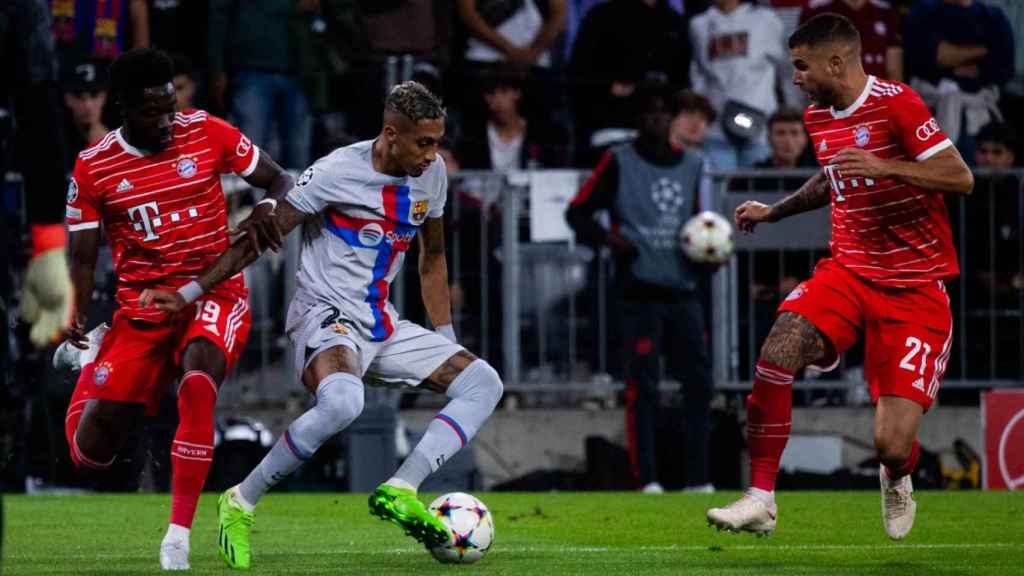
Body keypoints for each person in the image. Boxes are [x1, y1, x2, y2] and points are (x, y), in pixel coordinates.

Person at [140, 81, 504, 569]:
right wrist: (188, 293)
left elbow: (433, 258)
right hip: (324, 317)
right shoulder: (335, 172)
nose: (432, 154)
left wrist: (445, 342)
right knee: (344, 402)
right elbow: (256, 240)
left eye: (436, 142)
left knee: (483, 382)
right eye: (424, 142)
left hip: (381, 324)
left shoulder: (431, 174)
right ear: (391, 134)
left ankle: (400, 488)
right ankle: (241, 500)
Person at [706, 14, 974, 540]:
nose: (796, 77)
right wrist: (774, 211)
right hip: (849, 271)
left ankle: (898, 474)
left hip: (915, 287)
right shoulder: (817, 116)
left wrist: (886, 166)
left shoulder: (898, 103)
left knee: (891, 445)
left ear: (836, 62)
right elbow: (833, 175)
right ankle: (761, 496)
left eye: (802, 66)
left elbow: (958, 176)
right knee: (778, 349)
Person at [57, 48, 293, 570]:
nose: (168, 121)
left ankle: (178, 537)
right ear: (122, 107)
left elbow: (279, 179)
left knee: (199, 373)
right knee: (90, 452)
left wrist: (268, 206)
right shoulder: (94, 168)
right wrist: (76, 309)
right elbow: (83, 250)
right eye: (153, 111)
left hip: (214, 291)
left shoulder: (207, 130)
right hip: (142, 309)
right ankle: (92, 364)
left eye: (171, 106)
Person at [565, 81, 715, 494]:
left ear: (672, 118)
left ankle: (699, 478)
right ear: (637, 120)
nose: (655, 119)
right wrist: (611, 241)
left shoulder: (695, 164)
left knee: (698, 384)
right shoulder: (618, 161)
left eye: (662, 112)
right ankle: (645, 478)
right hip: (638, 289)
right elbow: (577, 212)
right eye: (647, 113)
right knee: (642, 387)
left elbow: (705, 221)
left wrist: (712, 251)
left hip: (685, 287)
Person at [799, 0, 904, 82]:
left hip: (877, 99)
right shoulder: (815, 11)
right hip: (832, 101)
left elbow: (894, 70)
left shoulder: (886, 12)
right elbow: (809, 68)